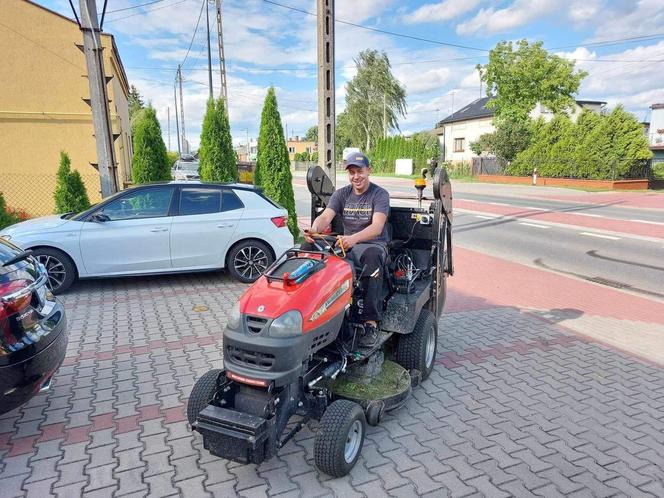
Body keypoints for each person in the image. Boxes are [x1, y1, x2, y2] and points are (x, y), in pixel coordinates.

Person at [304, 152, 390, 348]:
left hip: (372, 244)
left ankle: (370, 322)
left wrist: (353, 239)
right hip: (347, 243)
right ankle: (310, 310)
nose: (356, 176)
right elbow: (325, 217)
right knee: (307, 247)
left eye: (360, 171)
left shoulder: (379, 194)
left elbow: (377, 227)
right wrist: (314, 229)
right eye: (351, 172)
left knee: (372, 257)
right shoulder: (342, 194)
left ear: (369, 170)